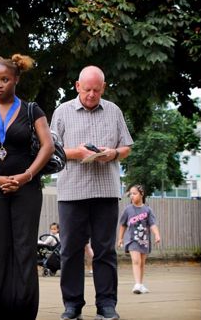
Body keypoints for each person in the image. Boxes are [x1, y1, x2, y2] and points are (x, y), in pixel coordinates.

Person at [0, 54, 55, 320]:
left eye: (5, 79)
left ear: (16, 79)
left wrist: (26, 176)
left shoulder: (33, 110)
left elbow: (47, 146)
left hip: (27, 190)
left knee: (24, 249)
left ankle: (25, 312)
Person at [50, 65, 133, 320]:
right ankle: (72, 305)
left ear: (103, 88)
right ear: (77, 86)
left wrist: (114, 153)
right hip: (71, 192)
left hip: (106, 191)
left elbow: (127, 145)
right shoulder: (62, 112)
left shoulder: (114, 111)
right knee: (71, 250)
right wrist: (78, 153)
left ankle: (106, 304)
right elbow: (52, 149)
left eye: (96, 90)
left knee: (105, 249)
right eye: (87, 89)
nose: (91, 95)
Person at [118, 184, 161, 294]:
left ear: (141, 194)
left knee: (141, 263)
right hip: (132, 240)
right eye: (130, 194)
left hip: (144, 240)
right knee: (136, 261)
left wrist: (157, 234)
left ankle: (141, 285)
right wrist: (120, 238)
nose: (132, 196)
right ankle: (137, 284)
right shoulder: (128, 210)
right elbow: (123, 225)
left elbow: (152, 224)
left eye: (134, 193)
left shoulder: (147, 210)